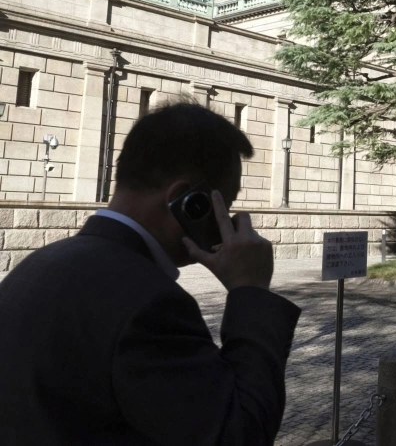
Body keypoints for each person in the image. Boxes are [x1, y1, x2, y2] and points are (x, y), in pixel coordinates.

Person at [0, 101, 301, 445]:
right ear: (188, 200)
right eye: (225, 204)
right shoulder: (150, 304)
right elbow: (239, 433)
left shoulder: (41, 262)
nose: (227, 222)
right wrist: (251, 291)